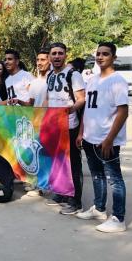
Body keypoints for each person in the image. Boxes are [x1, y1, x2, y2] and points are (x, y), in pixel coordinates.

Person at [76, 42, 129, 233]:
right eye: (98, 54)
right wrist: (82, 132)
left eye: (105, 54)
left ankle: (118, 218)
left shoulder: (118, 80)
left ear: (113, 57)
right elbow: (87, 109)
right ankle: (99, 209)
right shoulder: (92, 80)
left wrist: (109, 139)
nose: (100, 57)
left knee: (114, 179)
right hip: (90, 137)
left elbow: (123, 112)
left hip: (107, 140)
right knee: (97, 175)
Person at [44, 42, 86, 215]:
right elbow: (48, 98)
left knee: (73, 164)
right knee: (58, 162)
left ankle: (75, 201)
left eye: (60, 53)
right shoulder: (49, 75)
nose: (57, 56)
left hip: (70, 125)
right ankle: (61, 193)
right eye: (54, 53)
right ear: (49, 57)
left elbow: (82, 99)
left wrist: (69, 110)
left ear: (65, 55)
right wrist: (44, 116)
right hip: (54, 126)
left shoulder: (73, 74)